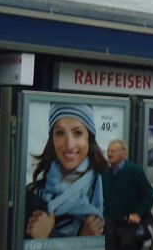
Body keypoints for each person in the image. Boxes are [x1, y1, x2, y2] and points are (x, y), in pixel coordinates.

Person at [25, 102, 106, 240]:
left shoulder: (109, 189)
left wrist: (50, 236)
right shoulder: (33, 195)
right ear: (52, 139)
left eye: (77, 133)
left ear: (89, 137)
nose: (69, 144)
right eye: (60, 133)